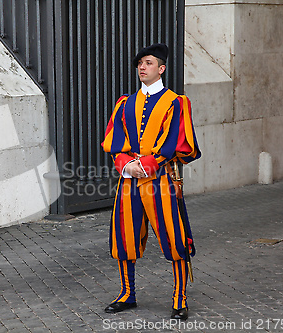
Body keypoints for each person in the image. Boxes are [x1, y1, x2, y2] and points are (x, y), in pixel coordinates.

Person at [101, 43, 201, 320]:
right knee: (124, 236)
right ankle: (127, 294)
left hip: (162, 180)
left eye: (147, 63)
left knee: (173, 236)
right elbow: (115, 141)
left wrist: (144, 165)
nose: (141, 68)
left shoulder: (176, 102)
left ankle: (179, 298)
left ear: (161, 68)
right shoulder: (125, 103)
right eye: (139, 64)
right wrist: (125, 164)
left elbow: (175, 142)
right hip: (129, 181)